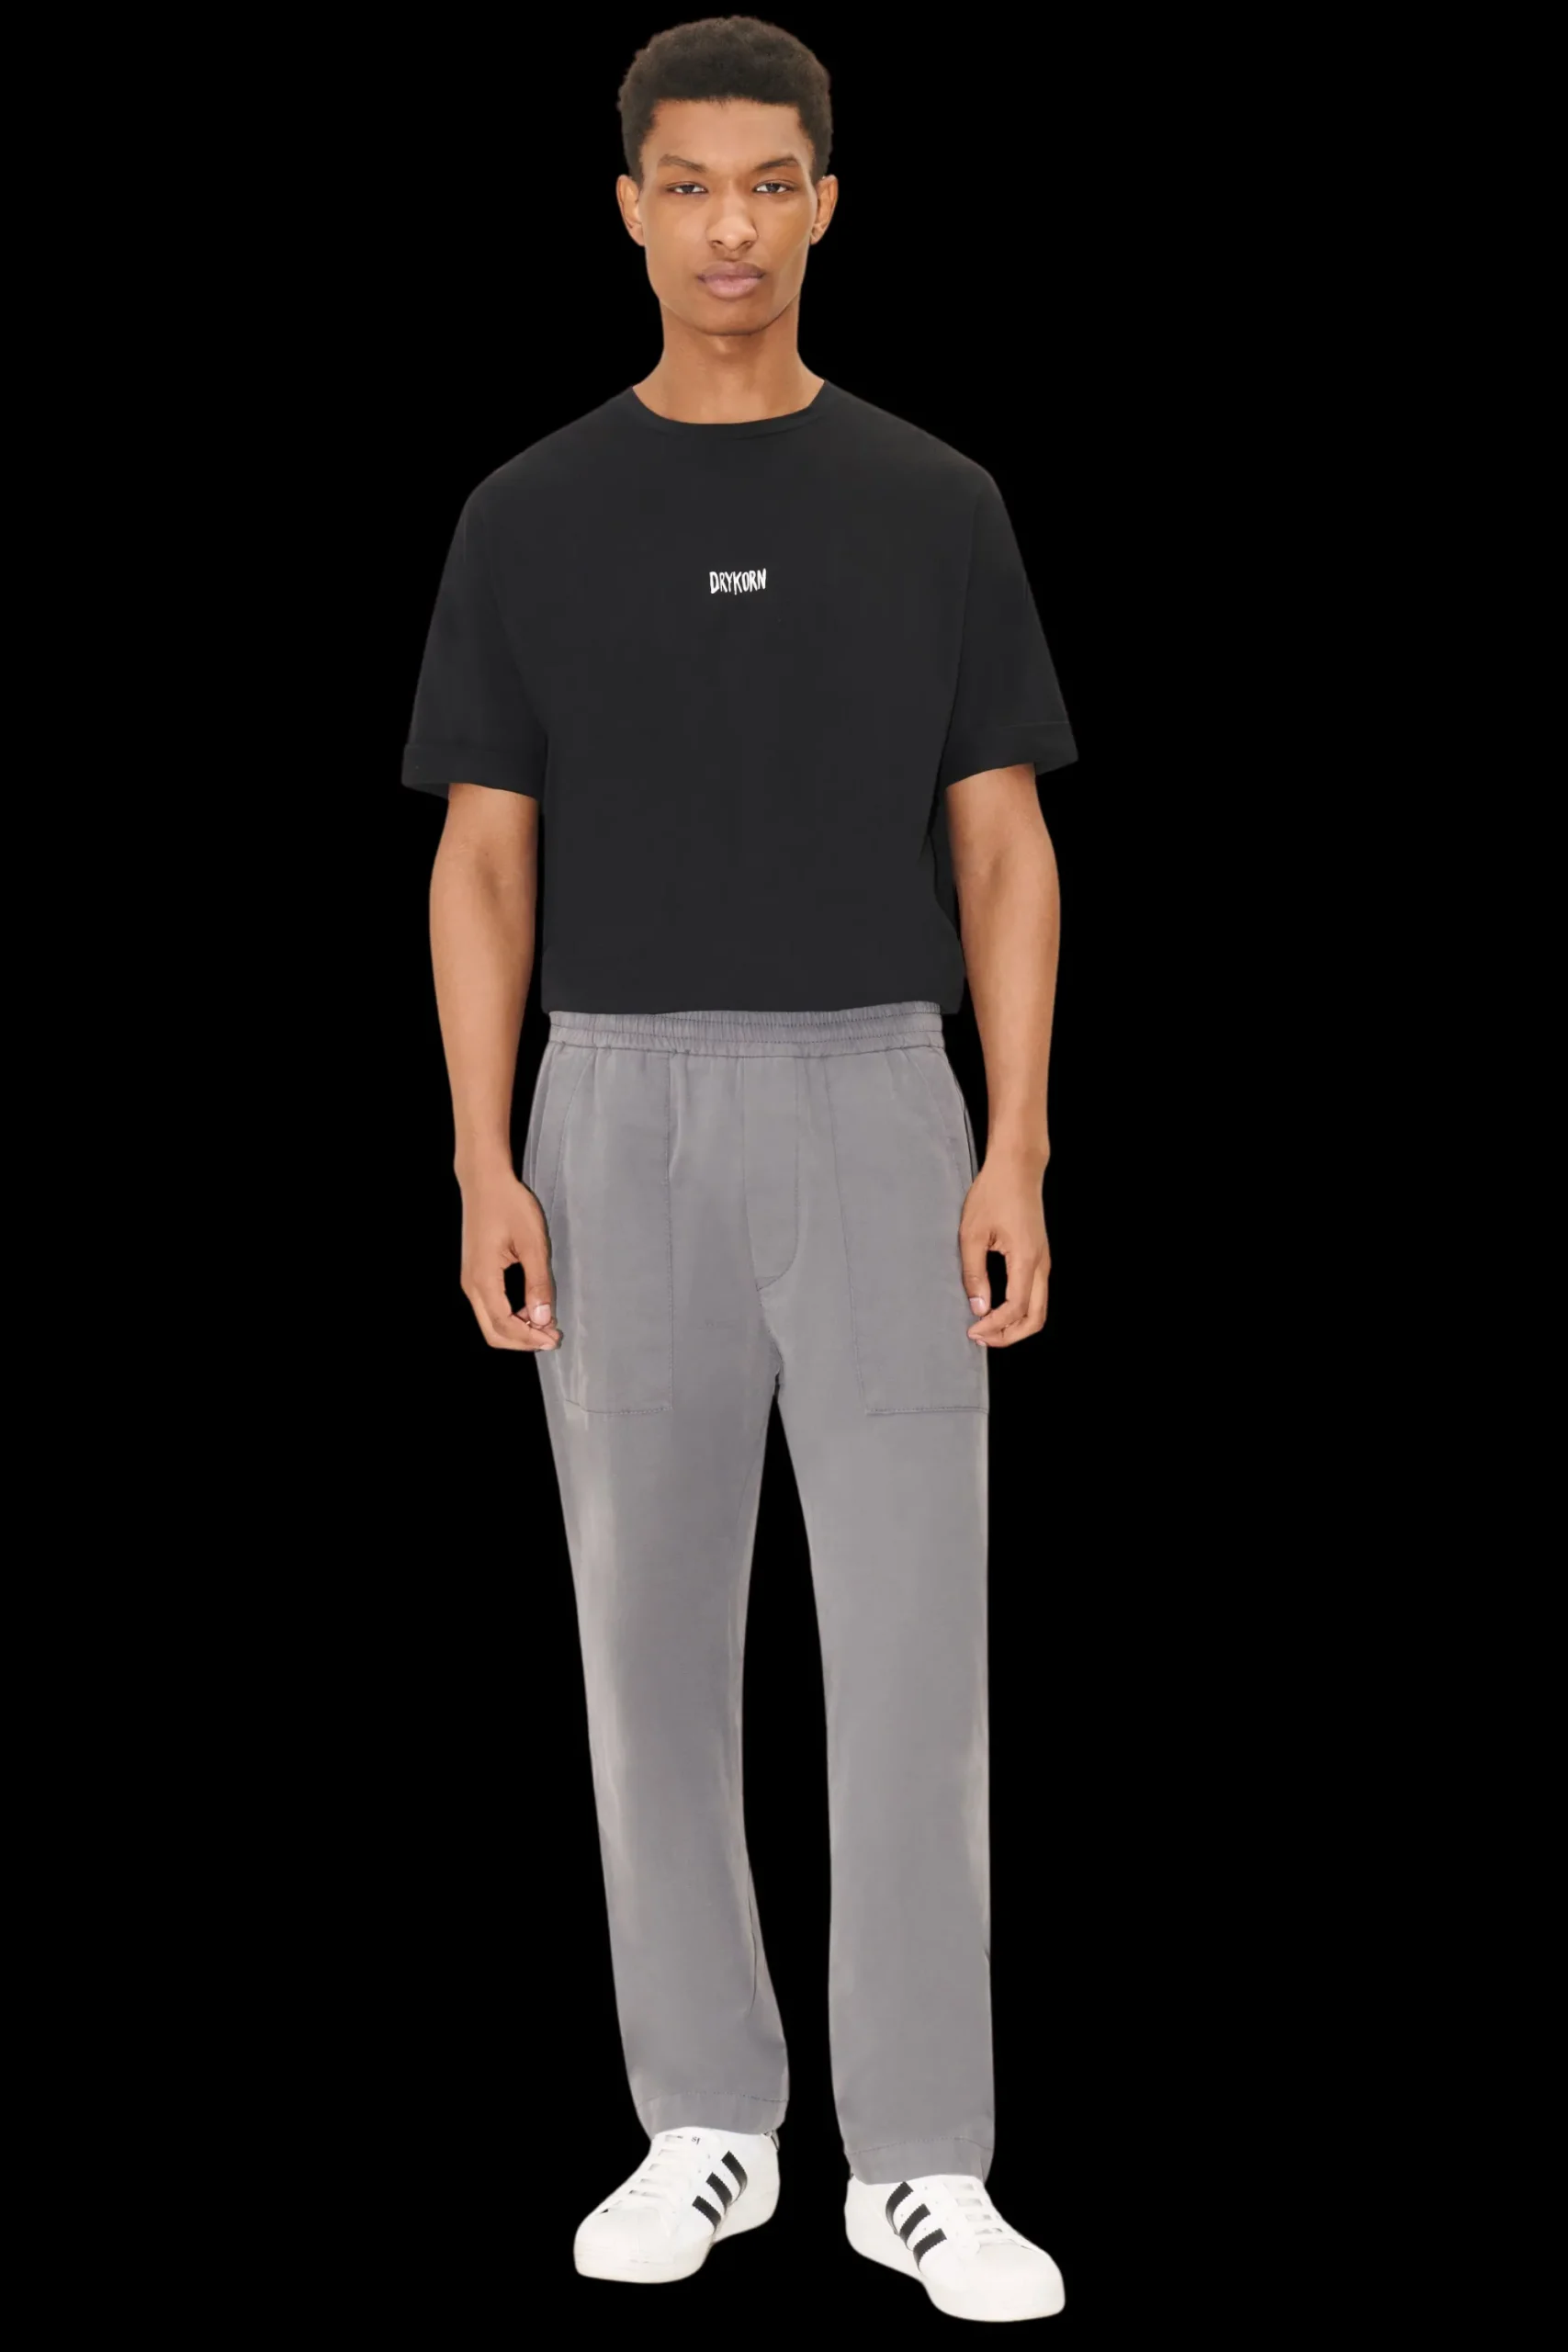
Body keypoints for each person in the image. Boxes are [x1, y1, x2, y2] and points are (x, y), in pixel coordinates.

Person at [403, 15, 1075, 2325]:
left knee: (911, 1653)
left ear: (824, 204)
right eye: (684, 184)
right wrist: (483, 1155)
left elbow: (1004, 840)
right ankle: (702, 2119)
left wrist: (1017, 1133)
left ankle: (923, 2163)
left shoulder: (934, 500)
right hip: (612, 1112)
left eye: (767, 184)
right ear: (627, 209)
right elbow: (482, 859)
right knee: (647, 1646)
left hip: (883, 1099)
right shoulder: (528, 512)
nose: (726, 226)